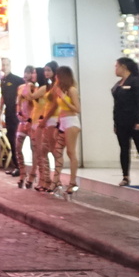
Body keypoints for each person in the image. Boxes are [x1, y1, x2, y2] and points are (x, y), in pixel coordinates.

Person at [112, 58, 139, 187]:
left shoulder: (135, 82)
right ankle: (125, 176)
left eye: (116, 66)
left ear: (124, 67)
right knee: (124, 149)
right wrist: (115, 123)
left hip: (134, 121)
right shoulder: (118, 84)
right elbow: (116, 105)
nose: (115, 69)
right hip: (121, 121)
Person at [48, 66, 82, 197]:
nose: (56, 77)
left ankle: (73, 182)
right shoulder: (59, 90)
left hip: (71, 122)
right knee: (57, 151)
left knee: (71, 152)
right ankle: (56, 180)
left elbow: (77, 109)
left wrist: (63, 98)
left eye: (57, 75)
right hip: (62, 122)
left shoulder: (72, 90)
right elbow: (56, 107)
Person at [14, 68, 38, 190]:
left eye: (29, 73)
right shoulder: (20, 87)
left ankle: (32, 176)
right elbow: (18, 103)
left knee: (34, 148)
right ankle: (22, 173)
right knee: (18, 147)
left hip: (31, 122)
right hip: (22, 121)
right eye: (25, 72)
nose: (26, 75)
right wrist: (18, 113)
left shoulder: (34, 88)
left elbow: (34, 103)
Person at [0, 65, 25, 177]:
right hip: (8, 113)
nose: (4, 67)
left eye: (6, 64)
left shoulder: (17, 79)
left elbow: (23, 95)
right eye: (2, 64)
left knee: (15, 140)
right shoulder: (3, 80)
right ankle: (16, 165)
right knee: (10, 138)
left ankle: (20, 167)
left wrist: (20, 109)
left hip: (16, 114)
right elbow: (3, 97)